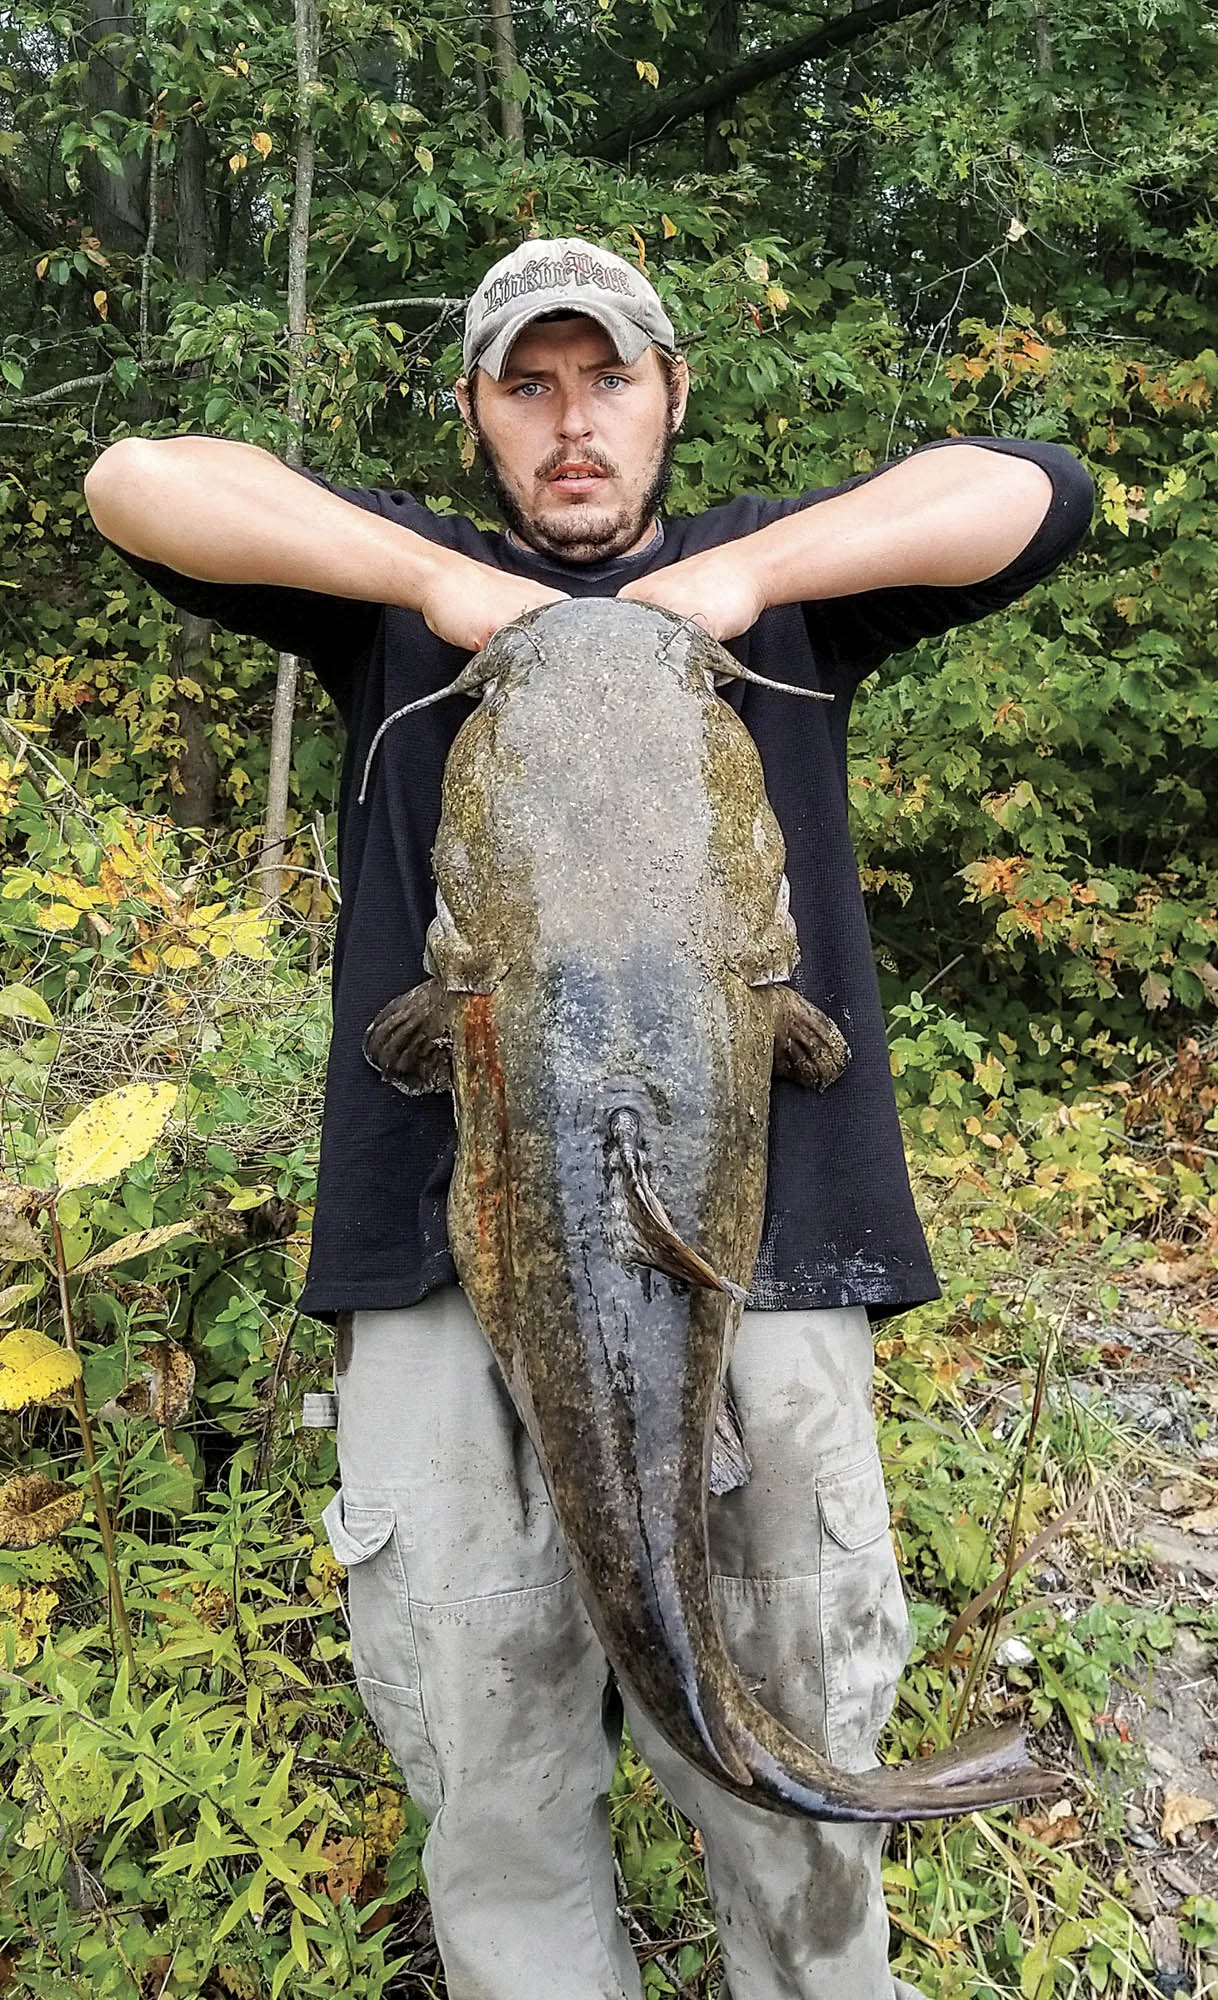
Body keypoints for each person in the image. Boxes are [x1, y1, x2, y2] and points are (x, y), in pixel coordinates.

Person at [83, 234, 1094, 1999]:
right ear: (475, 414)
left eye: (607, 379)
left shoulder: (773, 594)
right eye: (526, 385)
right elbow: (136, 479)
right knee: (493, 1768)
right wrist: (456, 602)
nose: (570, 424)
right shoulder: (401, 593)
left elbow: (1033, 487)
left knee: (793, 1736)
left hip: (762, 1260)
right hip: (434, 1262)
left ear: (671, 394)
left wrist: (725, 590)